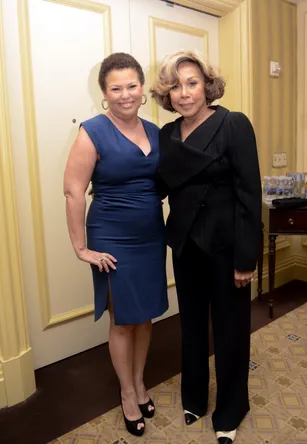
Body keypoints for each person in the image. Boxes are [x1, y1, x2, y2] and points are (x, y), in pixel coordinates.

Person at [150, 51, 261, 444]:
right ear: (167, 93)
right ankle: (194, 397)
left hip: (227, 246)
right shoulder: (166, 134)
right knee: (192, 326)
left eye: (192, 83)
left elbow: (249, 194)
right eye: (175, 86)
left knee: (231, 330)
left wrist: (247, 257)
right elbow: (161, 185)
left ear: (207, 85)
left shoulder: (233, 124)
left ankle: (232, 407)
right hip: (185, 245)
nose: (184, 93)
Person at [64, 53, 168, 437]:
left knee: (145, 316)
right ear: (104, 94)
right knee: (122, 319)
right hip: (112, 237)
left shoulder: (157, 132)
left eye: (132, 86)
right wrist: (81, 248)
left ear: (142, 88)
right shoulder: (92, 130)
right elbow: (74, 191)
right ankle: (127, 392)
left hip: (151, 236)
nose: (125, 95)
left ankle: (140, 382)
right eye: (116, 88)